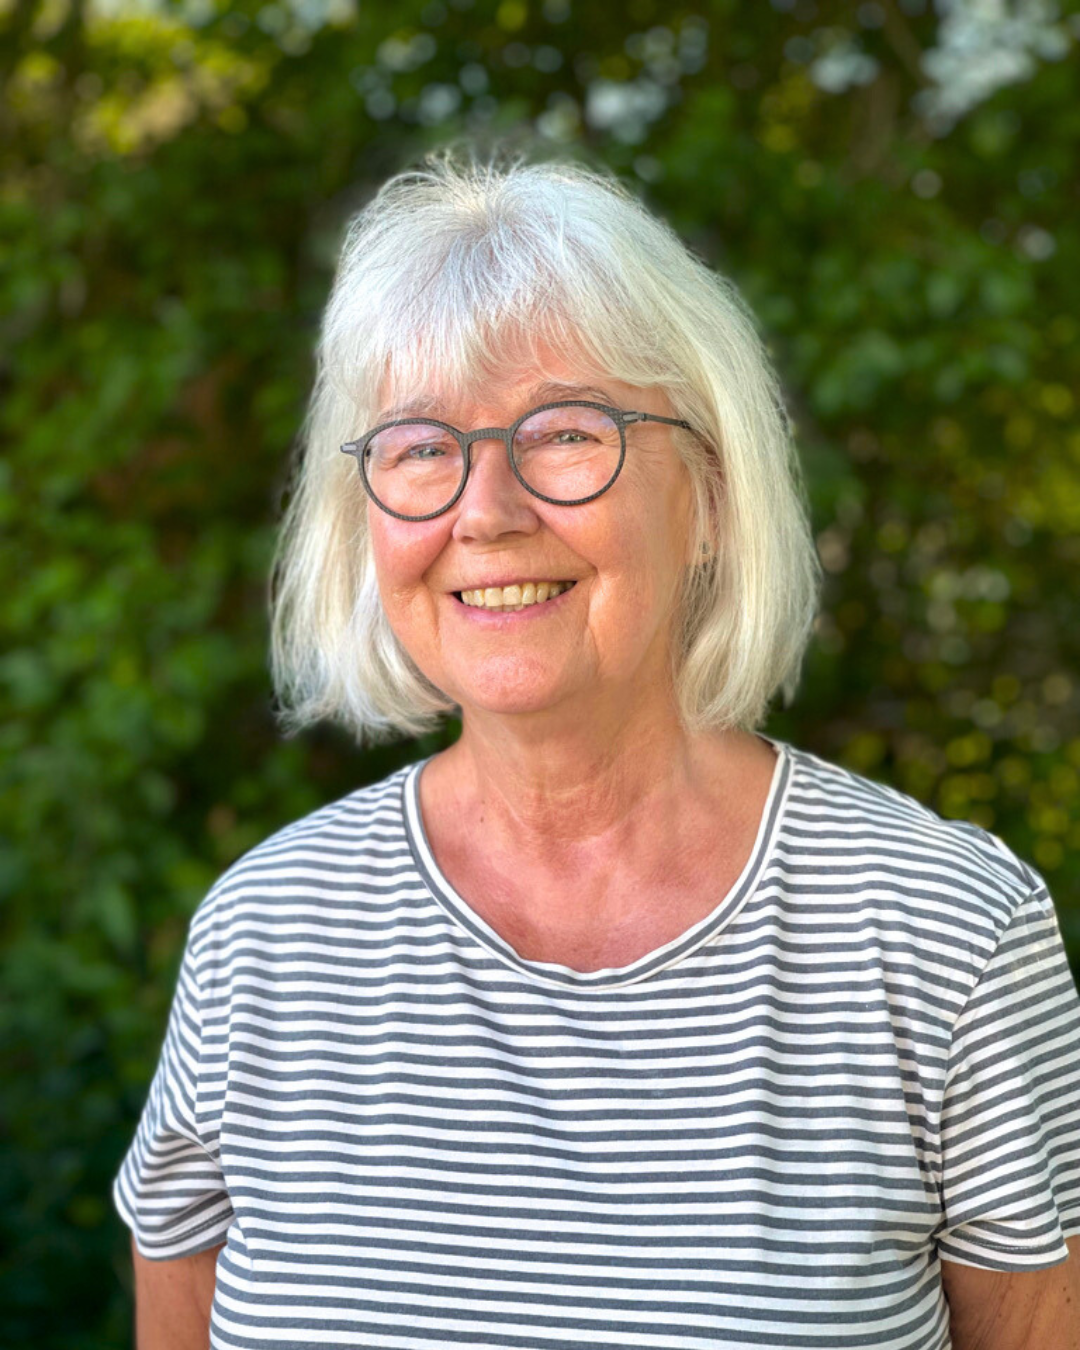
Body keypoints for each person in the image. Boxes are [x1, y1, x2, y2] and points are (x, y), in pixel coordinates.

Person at [112, 147, 1080, 1350]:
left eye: (566, 433)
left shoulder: (945, 936)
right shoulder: (263, 938)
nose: (485, 512)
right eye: (421, 448)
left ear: (709, 495)